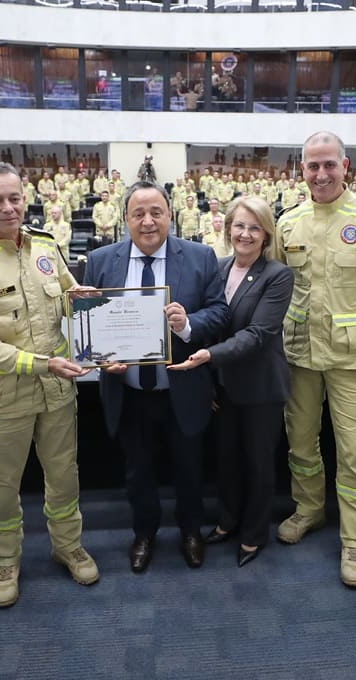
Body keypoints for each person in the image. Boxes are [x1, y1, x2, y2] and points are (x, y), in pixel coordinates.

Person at [0, 162, 99, 608]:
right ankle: (6, 561)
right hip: (4, 400)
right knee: (2, 489)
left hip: (56, 394)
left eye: (15, 197)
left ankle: (67, 545)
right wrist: (43, 364)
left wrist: (92, 309)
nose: (8, 207)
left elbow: (70, 301)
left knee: (63, 477)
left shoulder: (46, 246)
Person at [273, 132, 356, 588]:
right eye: (313, 166)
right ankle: (309, 510)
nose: (322, 174)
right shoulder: (288, 223)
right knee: (301, 446)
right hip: (300, 357)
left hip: (355, 361)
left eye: (330, 164)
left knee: (354, 453)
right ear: (302, 169)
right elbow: (276, 289)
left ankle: (354, 539)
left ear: (346, 166)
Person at [84, 181, 230, 573]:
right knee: (138, 471)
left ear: (170, 215)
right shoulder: (100, 260)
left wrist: (187, 325)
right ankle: (144, 534)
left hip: (181, 387)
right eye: (138, 214)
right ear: (125, 218)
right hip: (128, 391)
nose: (148, 222)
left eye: (156, 213)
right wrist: (100, 359)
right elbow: (90, 324)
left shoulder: (200, 257)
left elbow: (219, 312)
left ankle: (190, 532)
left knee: (189, 468)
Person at [170, 195, 292, 567]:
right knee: (226, 460)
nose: (246, 233)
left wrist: (209, 356)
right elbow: (207, 321)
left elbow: (258, 334)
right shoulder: (217, 267)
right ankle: (227, 520)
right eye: (239, 225)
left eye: (255, 227)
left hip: (260, 389)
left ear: (267, 234)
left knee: (257, 464)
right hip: (221, 386)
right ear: (228, 229)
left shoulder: (278, 276)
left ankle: (254, 535)